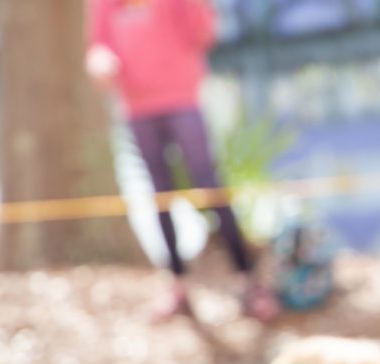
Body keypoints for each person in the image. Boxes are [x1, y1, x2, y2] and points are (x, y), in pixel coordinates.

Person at [85, 0, 279, 321]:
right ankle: (177, 286)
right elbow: (99, 44)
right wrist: (101, 63)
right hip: (136, 106)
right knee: (159, 195)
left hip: (182, 98)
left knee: (210, 183)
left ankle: (248, 281)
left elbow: (203, 32)